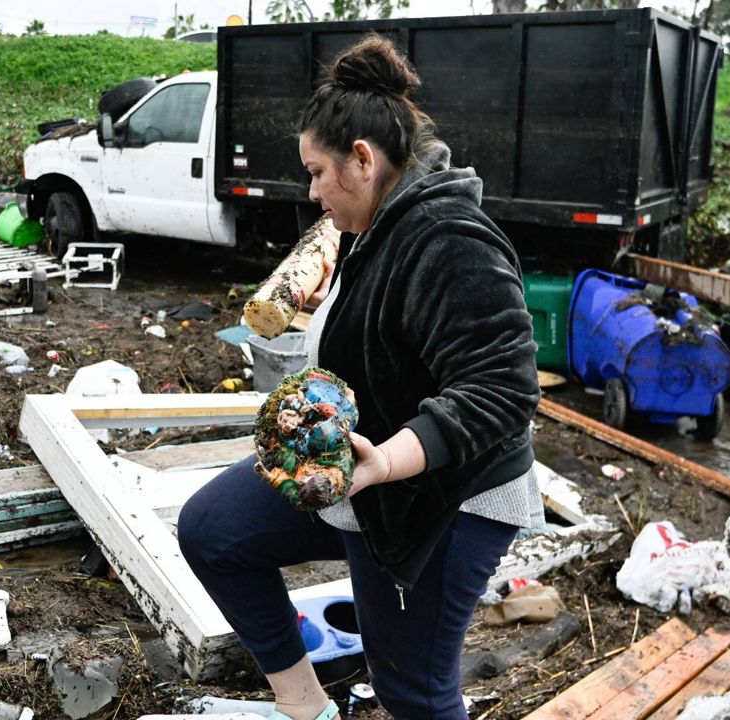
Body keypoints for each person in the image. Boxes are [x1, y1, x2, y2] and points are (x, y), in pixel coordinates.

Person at [177, 34, 542, 720]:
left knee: (415, 692)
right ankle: (305, 707)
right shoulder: (377, 219)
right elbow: (389, 327)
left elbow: (503, 389)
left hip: (441, 498)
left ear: (364, 160)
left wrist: (387, 461)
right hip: (363, 472)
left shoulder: (448, 236)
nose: (313, 192)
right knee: (212, 530)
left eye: (317, 172)